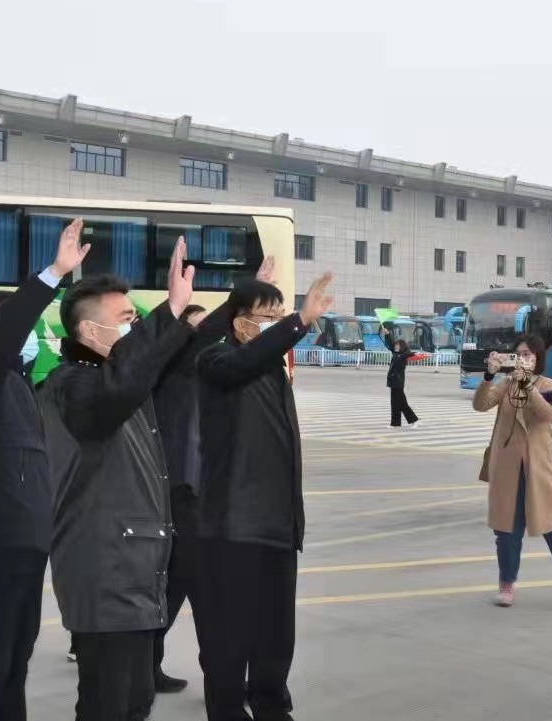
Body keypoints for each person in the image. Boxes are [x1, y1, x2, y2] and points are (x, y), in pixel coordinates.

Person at [39, 238, 195, 721]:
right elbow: (121, 387)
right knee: (108, 704)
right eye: (127, 318)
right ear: (90, 329)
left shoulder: (113, 381)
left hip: (134, 573)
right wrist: (170, 311)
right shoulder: (73, 386)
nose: (135, 326)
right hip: (105, 572)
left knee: (135, 701)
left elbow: (141, 371)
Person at [0, 219, 90, 721]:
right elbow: (4, 339)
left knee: (14, 658)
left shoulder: (20, 384)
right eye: (22, 331)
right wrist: (53, 275)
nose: (32, 341)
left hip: (28, 542)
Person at [196, 272, 333, 721]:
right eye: (268, 317)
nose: (277, 323)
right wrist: (297, 321)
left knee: (276, 632)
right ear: (240, 323)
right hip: (234, 522)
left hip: (277, 520)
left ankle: (272, 706)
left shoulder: (271, 369)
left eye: (280, 315)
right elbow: (242, 364)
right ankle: (227, 710)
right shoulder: (215, 362)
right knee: (230, 634)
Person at [152, 258, 276, 694]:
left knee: (208, 596)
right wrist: (243, 296)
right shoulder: (172, 371)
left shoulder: (216, 372)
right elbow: (204, 334)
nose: (211, 334)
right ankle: (155, 666)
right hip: (184, 494)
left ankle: (221, 680)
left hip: (213, 494)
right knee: (185, 588)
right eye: (198, 328)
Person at [473, 335, 552, 610]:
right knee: (507, 532)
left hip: (538, 467)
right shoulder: (506, 383)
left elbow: (546, 415)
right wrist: (489, 375)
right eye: (519, 354)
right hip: (507, 467)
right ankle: (506, 584)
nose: (523, 359)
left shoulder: (548, 385)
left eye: (528, 354)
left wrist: (527, 385)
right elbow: (481, 405)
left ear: (538, 358)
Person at [381, 324, 418, 429]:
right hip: (392, 382)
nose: (396, 347)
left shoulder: (403, 356)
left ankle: (414, 420)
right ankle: (395, 424)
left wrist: (416, 354)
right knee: (394, 403)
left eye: (398, 346)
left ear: (402, 347)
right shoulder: (395, 353)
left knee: (402, 403)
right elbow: (391, 343)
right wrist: (387, 334)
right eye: (396, 345)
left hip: (398, 382)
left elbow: (410, 354)